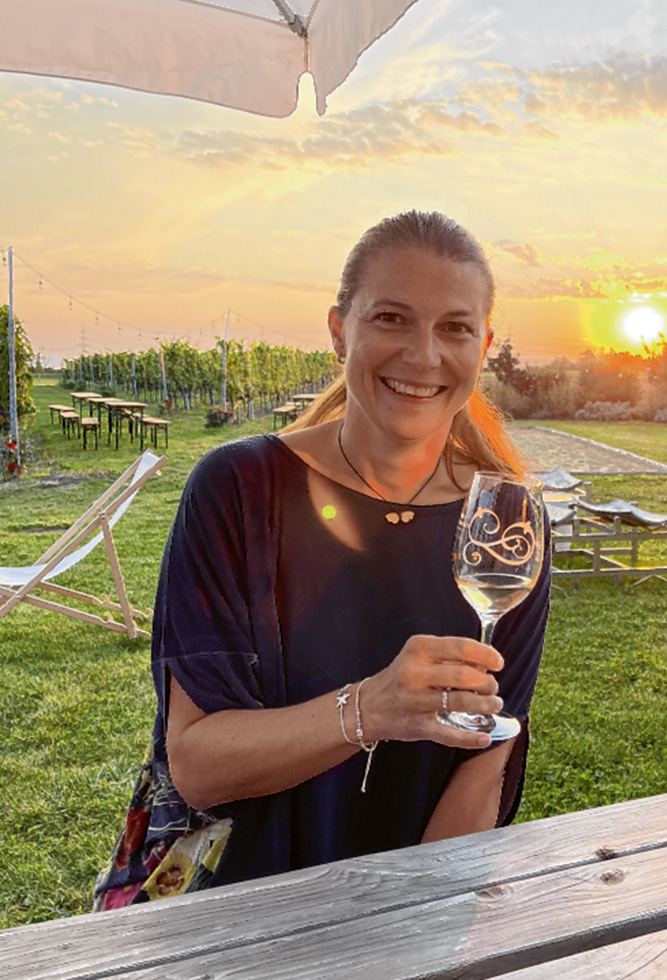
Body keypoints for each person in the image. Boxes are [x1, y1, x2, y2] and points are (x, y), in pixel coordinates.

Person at [93, 210, 550, 908]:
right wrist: (371, 707)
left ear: (483, 346)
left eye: (455, 328)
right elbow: (197, 766)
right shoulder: (240, 491)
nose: (424, 356)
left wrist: (414, 928)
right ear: (340, 329)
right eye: (392, 318)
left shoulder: (505, 530)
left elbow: (484, 764)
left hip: (408, 908)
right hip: (233, 907)